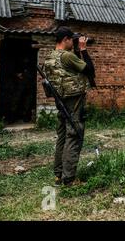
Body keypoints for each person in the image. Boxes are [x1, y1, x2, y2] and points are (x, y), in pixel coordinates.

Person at [43, 26, 95, 186]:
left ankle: (59, 175)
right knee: (74, 135)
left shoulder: (52, 56)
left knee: (63, 136)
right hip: (74, 101)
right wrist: (84, 50)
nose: (73, 42)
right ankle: (69, 179)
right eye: (71, 39)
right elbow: (90, 70)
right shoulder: (67, 56)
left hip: (61, 100)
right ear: (65, 39)